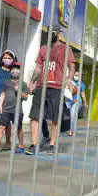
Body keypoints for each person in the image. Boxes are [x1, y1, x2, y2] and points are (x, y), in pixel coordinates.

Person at [27, 27, 75, 155]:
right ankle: (33, 144)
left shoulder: (65, 48)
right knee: (34, 116)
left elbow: (71, 65)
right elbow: (38, 67)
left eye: (53, 32)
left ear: (58, 34)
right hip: (41, 86)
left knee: (55, 117)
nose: (50, 34)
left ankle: (52, 144)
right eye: (48, 32)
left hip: (57, 87)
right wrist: (32, 82)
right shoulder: (43, 48)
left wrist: (69, 80)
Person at [0, 62, 29, 154]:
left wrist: (18, 89)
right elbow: (3, 94)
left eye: (17, 69)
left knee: (19, 128)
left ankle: (21, 146)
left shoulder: (23, 84)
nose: (15, 71)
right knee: (1, 127)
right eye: (13, 69)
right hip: (6, 109)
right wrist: (0, 106)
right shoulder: (6, 82)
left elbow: (26, 97)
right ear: (10, 71)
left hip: (17, 111)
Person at [69, 71, 86, 136]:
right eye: (75, 75)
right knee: (71, 116)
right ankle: (72, 129)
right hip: (69, 101)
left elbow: (83, 93)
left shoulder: (81, 84)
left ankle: (71, 131)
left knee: (73, 115)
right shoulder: (70, 83)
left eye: (78, 75)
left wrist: (85, 102)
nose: (76, 76)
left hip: (77, 101)